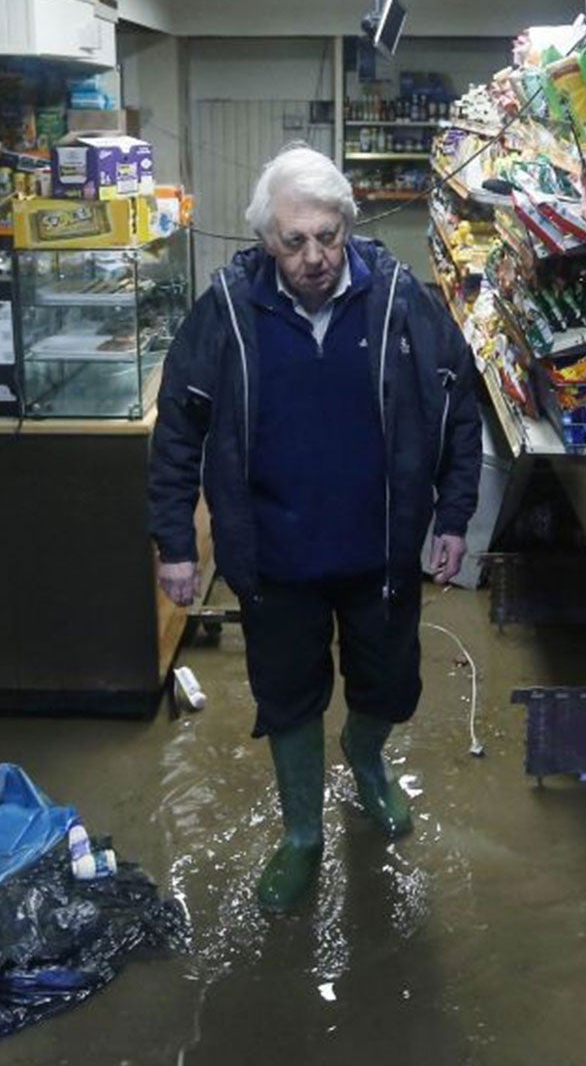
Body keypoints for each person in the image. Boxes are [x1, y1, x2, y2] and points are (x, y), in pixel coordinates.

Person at [148, 145, 482, 911]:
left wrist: (455, 517)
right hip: (276, 558)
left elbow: (458, 407)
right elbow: (178, 429)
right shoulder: (228, 312)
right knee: (290, 695)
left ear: (348, 227)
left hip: (383, 552)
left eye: (327, 236)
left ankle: (365, 761)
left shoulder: (400, 300)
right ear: (266, 240)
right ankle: (302, 833)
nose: (314, 257)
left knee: (389, 686)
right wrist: (174, 542)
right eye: (294, 241)